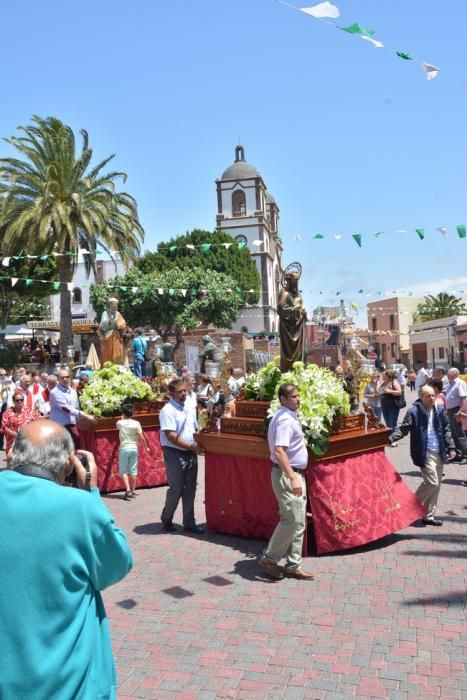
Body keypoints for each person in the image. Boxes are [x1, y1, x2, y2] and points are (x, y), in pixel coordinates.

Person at [0, 420, 132, 699]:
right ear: (68, 463)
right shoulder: (79, 506)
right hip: (68, 681)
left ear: (15, 451)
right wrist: (92, 493)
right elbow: (116, 564)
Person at [259, 383, 314, 581]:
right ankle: (270, 558)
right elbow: (280, 450)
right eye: (294, 397)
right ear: (283, 399)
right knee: (291, 519)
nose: (298, 399)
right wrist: (292, 476)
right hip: (288, 474)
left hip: (294, 473)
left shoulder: (288, 417)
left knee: (298, 521)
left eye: (299, 396)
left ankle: (293, 565)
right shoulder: (284, 420)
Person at [388, 385, 456, 526]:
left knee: (437, 485)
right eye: (428, 396)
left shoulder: (440, 409)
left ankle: (428, 515)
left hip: (440, 451)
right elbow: (403, 429)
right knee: (432, 482)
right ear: (421, 397)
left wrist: (451, 447)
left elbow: (446, 430)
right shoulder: (414, 411)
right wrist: (390, 439)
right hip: (424, 452)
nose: (432, 398)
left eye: (433, 395)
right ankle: (409, 505)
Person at [159, 379, 204, 534]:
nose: (184, 394)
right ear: (171, 394)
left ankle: (189, 523)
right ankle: (167, 518)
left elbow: (194, 428)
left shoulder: (188, 407)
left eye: (185, 390)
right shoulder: (167, 410)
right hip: (175, 453)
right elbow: (170, 435)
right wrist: (191, 446)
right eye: (180, 392)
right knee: (176, 488)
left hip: (190, 452)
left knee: (190, 488)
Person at [50, 368, 96, 447]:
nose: (65, 379)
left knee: (75, 447)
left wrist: (83, 420)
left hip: (72, 426)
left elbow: (76, 408)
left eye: (67, 377)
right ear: (58, 379)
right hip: (60, 427)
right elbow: (67, 409)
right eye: (62, 377)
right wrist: (87, 416)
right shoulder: (55, 392)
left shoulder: (73, 391)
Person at [116, 402, 150, 500]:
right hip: (134, 447)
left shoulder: (120, 423)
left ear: (123, 413)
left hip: (124, 447)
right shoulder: (136, 423)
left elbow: (118, 425)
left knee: (123, 471)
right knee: (133, 469)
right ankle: (133, 490)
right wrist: (146, 447)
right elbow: (142, 437)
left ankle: (127, 490)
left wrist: (122, 418)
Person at [277, 264, 307, 372]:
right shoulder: (284, 294)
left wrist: (303, 312)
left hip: (297, 328)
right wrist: (296, 309)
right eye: (295, 281)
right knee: (288, 354)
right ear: (289, 281)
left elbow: (301, 308)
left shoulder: (297, 295)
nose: (296, 284)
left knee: (299, 353)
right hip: (287, 329)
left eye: (297, 282)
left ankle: (298, 370)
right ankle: (286, 371)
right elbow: (280, 310)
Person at [1, 390, 39, 465]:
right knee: (10, 458)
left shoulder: (28, 410)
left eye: (21, 400)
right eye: (17, 400)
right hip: (12, 440)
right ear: (13, 401)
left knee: (25, 461)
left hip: (25, 439)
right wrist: (14, 434)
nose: (19, 402)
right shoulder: (7, 413)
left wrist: (37, 410)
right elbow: (4, 427)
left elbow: (36, 419)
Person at [445, 368, 467, 464]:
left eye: (448, 373)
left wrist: (460, 411)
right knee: (454, 434)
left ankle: (465, 455)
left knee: (460, 434)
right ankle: (459, 454)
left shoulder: (460, 383)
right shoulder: (451, 383)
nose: (447, 374)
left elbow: (464, 397)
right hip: (450, 410)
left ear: (454, 374)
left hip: (456, 410)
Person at [98, 297, 127, 365]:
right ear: (110, 305)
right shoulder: (105, 313)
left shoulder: (118, 314)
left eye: (116, 304)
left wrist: (120, 325)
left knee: (118, 354)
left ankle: (117, 365)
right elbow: (103, 326)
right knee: (107, 354)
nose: (116, 306)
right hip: (107, 336)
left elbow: (123, 323)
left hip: (116, 336)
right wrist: (110, 320)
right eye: (114, 304)